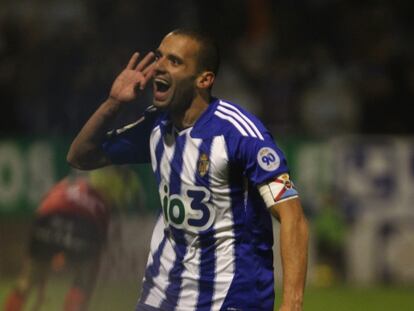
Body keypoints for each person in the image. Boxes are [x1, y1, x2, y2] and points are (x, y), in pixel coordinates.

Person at [67, 29, 309, 311]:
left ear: (204, 79)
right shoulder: (155, 126)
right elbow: (80, 156)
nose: (158, 66)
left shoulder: (238, 134)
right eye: (159, 57)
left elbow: (293, 217)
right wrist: (114, 104)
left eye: (174, 61)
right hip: (162, 293)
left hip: (231, 296)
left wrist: (292, 302)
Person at [2, 167, 132, 311]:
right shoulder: (101, 197)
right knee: (83, 279)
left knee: (26, 280)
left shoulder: (62, 185)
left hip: (47, 219)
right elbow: (101, 237)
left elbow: (41, 211)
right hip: (83, 225)